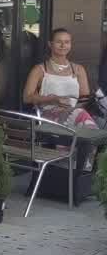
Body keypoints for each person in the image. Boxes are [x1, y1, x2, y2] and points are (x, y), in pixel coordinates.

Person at [24, 29, 98, 171]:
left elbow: (85, 97)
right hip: (48, 116)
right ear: (50, 44)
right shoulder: (40, 69)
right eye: (59, 42)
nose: (63, 45)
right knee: (82, 119)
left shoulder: (78, 69)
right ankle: (81, 164)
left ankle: (74, 167)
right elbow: (27, 97)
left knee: (79, 114)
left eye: (67, 42)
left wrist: (71, 106)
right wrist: (51, 99)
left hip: (73, 113)